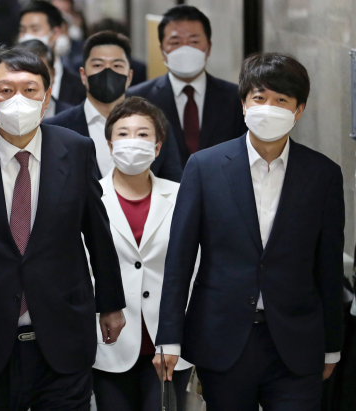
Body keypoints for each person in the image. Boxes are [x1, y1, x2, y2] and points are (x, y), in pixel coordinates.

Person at [0, 47, 126, 410]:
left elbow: (97, 233)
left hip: (63, 329)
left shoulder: (76, 149)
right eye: (5, 90)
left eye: (30, 89)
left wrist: (111, 304)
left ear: (46, 97)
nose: (17, 99)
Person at [155, 52, 344, 411]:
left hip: (296, 343)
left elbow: (329, 266)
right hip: (222, 340)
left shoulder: (323, 174)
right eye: (259, 97)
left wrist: (332, 344)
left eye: (281, 100)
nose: (268, 108)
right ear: (243, 104)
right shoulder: (205, 167)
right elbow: (179, 258)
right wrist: (169, 339)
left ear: (299, 110)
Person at [91, 96, 194, 411]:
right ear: (109, 145)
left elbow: (194, 271)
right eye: (123, 134)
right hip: (108, 345)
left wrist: (181, 335)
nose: (132, 142)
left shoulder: (181, 196)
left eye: (143, 134)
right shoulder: (90, 196)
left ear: (158, 146)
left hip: (168, 344)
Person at [46, 31, 183, 182]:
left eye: (117, 65)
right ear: (83, 75)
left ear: (129, 76)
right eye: (98, 65)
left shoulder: (157, 125)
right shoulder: (56, 129)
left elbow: (173, 183)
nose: (107, 72)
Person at [127, 5, 246, 168]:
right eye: (175, 42)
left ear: (209, 47)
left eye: (194, 41)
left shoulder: (236, 98)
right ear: (162, 51)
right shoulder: (137, 100)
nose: (185, 49)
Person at [18, 1, 85, 106]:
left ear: (55, 33)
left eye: (35, 29)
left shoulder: (80, 87)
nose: (27, 36)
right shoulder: (8, 83)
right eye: (23, 30)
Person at [15, 39, 73, 118]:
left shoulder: (72, 117)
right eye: (25, 73)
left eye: (40, 72)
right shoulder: (2, 118)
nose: (32, 80)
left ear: (53, 74)